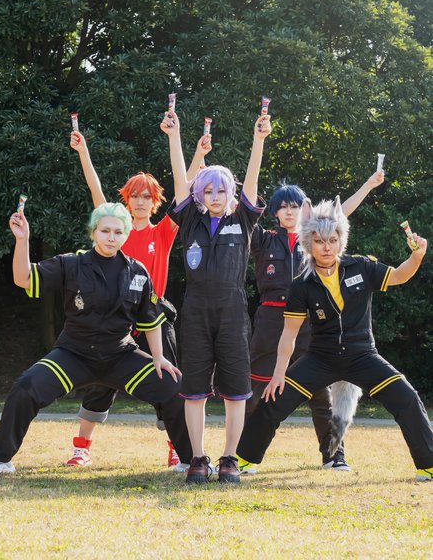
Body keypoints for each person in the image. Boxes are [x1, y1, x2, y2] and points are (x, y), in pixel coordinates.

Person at [0, 202, 190, 474]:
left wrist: (159, 357)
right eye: (105, 231)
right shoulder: (71, 264)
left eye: (118, 232)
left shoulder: (138, 272)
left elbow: (150, 320)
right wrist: (23, 240)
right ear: (93, 232)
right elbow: (24, 279)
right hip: (74, 354)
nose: (111, 237)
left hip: (120, 356)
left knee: (175, 386)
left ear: (126, 235)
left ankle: (189, 461)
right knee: (25, 387)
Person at [236, 197, 433, 482]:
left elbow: (400, 276)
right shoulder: (302, 285)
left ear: (341, 240)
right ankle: (243, 460)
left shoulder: (362, 267)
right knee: (272, 399)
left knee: (407, 398)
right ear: (309, 243)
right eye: (319, 241)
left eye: (332, 240)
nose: (326, 247)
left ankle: (428, 464)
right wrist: (278, 375)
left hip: (363, 356)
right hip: (320, 358)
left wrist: (417, 256)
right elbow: (289, 333)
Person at [65, 130, 211, 471]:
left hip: (155, 316)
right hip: (116, 319)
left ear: (154, 200)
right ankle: (82, 447)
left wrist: (198, 156)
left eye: (147, 196)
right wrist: (83, 152)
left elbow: (185, 191)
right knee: (101, 382)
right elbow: (96, 192)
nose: (141, 201)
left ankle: (178, 448)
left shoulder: (163, 231)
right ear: (127, 200)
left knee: (169, 379)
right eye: (135, 195)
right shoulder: (116, 232)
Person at [241, 172, 384, 474]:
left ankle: (334, 455)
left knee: (321, 394)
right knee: (257, 390)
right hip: (270, 323)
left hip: (311, 322)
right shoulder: (263, 240)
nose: (289, 211)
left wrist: (368, 185)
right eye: (283, 206)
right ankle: (243, 456)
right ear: (275, 211)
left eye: (295, 206)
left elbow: (341, 214)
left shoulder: (314, 240)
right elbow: (245, 208)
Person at [161, 109, 271, 484]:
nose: (214, 196)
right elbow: (179, 179)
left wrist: (258, 140)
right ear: (200, 193)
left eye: (221, 190)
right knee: (193, 391)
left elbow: (252, 179)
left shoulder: (243, 219)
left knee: (236, 392)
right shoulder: (190, 219)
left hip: (233, 312)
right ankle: (198, 459)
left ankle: (228, 460)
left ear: (230, 193)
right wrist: (174, 137)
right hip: (194, 312)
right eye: (207, 191)